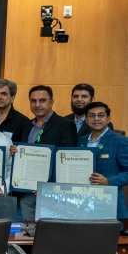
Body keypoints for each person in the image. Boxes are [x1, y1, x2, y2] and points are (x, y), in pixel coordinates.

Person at [16, 85, 78, 222]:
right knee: (28, 231)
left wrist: (48, 186)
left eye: (42, 100)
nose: (37, 105)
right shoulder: (26, 126)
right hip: (27, 191)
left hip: (53, 192)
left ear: (51, 102)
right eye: (33, 101)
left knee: (51, 232)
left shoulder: (65, 125)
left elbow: (66, 161)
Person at [80, 102, 128, 227]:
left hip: (110, 205)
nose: (96, 119)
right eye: (92, 115)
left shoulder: (121, 141)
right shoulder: (80, 141)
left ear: (108, 119)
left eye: (101, 115)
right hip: (82, 206)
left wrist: (108, 181)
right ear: (86, 120)